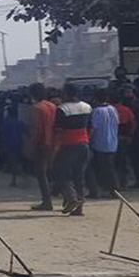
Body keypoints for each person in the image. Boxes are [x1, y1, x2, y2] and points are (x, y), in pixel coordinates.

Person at [55, 84, 93, 216]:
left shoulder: (62, 109)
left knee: (62, 174)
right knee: (79, 177)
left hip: (68, 145)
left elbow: (59, 131)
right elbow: (91, 128)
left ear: (65, 93)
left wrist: (56, 147)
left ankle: (72, 198)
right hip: (84, 144)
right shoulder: (87, 107)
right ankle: (79, 207)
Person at [29, 84, 59, 211]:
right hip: (54, 141)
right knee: (54, 170)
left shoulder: (37, 108)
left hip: (42, 143)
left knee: (41, 173)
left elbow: (37, 129)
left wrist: (32, 144)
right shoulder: (53, 106)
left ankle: (47, 201)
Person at [87, 91, 120, 199]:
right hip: (112, 142)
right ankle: (109, 188)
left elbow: (93, 128)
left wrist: (88, 140)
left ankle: (113, 189)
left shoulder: (97, 111)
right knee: (108, 166)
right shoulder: (113, 109)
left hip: (100, 143)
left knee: (104, 168)